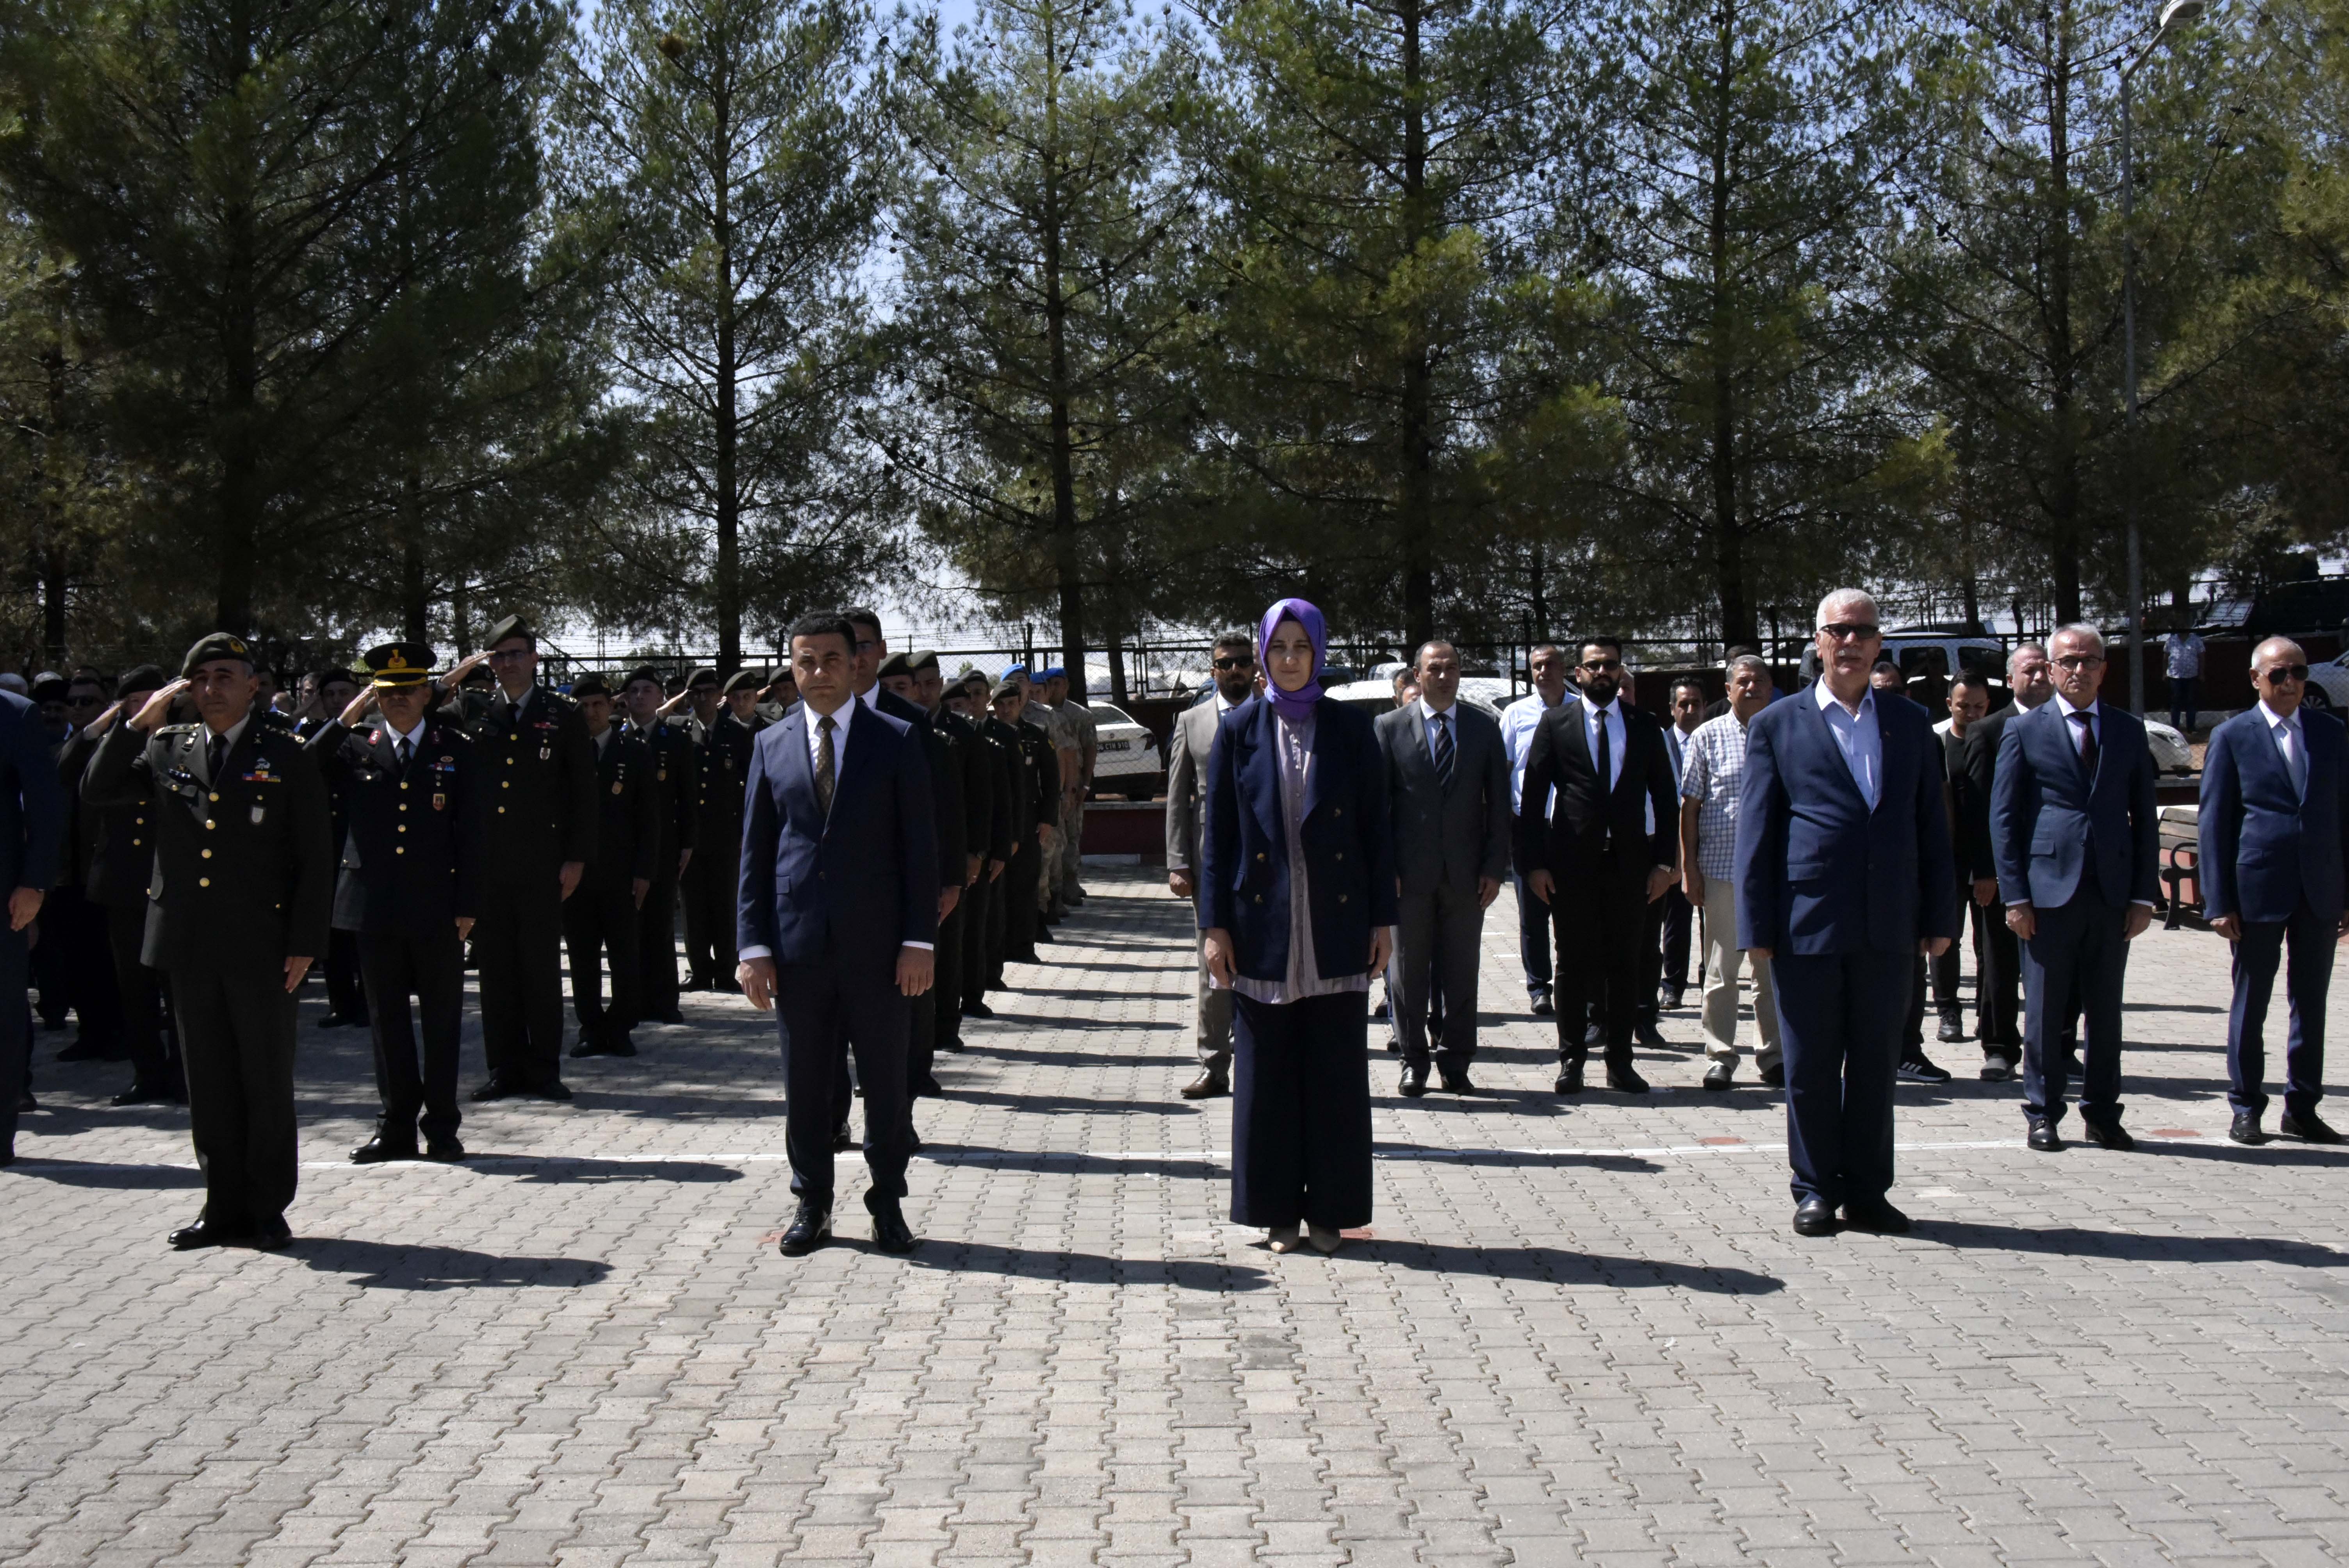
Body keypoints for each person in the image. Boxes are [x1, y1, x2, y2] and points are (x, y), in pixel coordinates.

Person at [83, 633, 333, 1247]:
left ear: (253, 686)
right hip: (189, 941)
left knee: (264, 1079)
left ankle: (267, 1206)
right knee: (211, 1081)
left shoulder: (285, 751)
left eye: (225, 676)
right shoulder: (168, 748)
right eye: (200, 679)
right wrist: (135, 724)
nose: (211, 687)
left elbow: (315, 855)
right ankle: (221, 1205)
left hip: (263, 943)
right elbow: (95, 787)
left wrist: (305, 940)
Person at [1735, 590, 1956, 1237]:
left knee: (1875, 1063)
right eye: (1839, 631)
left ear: (1879, 642)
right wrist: (1757, 928)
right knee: (1808, 1065)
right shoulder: (1779, 723)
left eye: (1863, 631)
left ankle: (1867, 1191)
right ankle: (1814, 1189)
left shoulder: (1909, 723)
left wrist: (1940, 916)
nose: (1852, 643)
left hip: (1888, 924)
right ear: (1819, 641)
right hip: (1806, 923)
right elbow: (1759, 833)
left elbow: (1930, 828)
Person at [737, 611, 938, 1257]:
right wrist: (753, 946)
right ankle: (812, 1205)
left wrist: (919, 940)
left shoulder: (897, 739)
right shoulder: (770, 746)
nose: (818, 672)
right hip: (798, 951)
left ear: (856, 664)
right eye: (805, 661)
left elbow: (920, 850)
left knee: (884, 1083)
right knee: (806, 1086)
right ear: (791, 670)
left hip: (881, 950)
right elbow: (755, 855)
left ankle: (888, 1204)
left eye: (830, 659)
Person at [1201, 598, 1395, 1255]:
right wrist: (1214, 927)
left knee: (1336, 1077)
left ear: (1318, 653)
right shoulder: (1239, 731)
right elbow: (1217, 839)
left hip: (1337, 927)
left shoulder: (1350, 729)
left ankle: (1331, 1214)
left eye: (1301, 647)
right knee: (1267, 1081)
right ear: (1262, 656)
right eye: (1278, 647)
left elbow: (1377, 833)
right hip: (1261, 929)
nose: (1289, 659)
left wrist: (1382, 920)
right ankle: (1275, 1212)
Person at [303, 641, 485, 1162]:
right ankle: (396, 1124)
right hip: (373, 905)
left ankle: (444, 1126)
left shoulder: (455, 747)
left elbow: (473, 832)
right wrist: (344, 718)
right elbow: (303, 767)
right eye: (387, 691)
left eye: (409, 690)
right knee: (386, 1020)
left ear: (428, 692)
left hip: (438, 903)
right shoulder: (355, 744)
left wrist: (469, 901)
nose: (399, 700)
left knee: (443, 1019)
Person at [1989, 623, 2159, 1153]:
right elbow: (2005, 818)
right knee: (2043, 1009)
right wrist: (2015, 896)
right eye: (2067, 662)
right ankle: (2043, 1112)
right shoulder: (2025, 730)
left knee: (2106, 1012)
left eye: (2088, 661)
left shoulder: (2128, 730)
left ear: (2104, 669)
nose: (2077, 670)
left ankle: (2104, 1113)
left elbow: (2145, 820)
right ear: (2051, 669)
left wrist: (2142, 895)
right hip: (2046, 894)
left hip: (2111, 893)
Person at [1517, 637, 1680, 1096]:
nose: (1602, 673)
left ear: (1621, 670)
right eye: (1593, 666)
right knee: (1571, 963)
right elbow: (1532, 802)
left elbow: (1666, 799)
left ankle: (1620, 1061)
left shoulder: (1645, 725)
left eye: (1610, 665)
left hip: (1630, 866)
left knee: (1624, 963)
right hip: (1570, 866)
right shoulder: (1556, 723)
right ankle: (1571, 1060)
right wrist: (1534, 865)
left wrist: (1665, 863)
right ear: (1579, 671)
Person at [2202, 637, 2349, 1145]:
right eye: (2279, 674)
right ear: (2255, 679)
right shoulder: (2232, 737)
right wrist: (2218, 901)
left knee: (2311, 1003)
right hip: (2257, 891)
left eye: (2300, 673)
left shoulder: (2331, 734)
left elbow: (2343, 815)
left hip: (2319, 891)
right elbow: (2216, 824)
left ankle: (2303, 1107)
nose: (2291, 684)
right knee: (2253, 1002)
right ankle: (2247, 1106)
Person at [469, 615, 597, 1101]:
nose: (508, 664)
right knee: (496, 970)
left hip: (544, 861)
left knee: (540, 969)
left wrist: (577, 857)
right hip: (490, 863)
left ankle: (544, 1069)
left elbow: (583, 792)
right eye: (499, 656)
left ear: (535, 658)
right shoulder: (475, 709)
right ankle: (503, 1067)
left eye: (517, 653)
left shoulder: (561, 712)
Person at [1376, 640, 1508, 1096]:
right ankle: (1413, 1060)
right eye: (1435, 667)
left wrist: (1494, 866)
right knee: (1407, 973)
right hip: (1408, 877)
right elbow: (1377, 807)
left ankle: (1456, 1060)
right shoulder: (1389, 727)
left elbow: (1498, 804)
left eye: (1452, 667)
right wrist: (1383, 867)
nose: (1445, 675)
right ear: (1417, 674)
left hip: (1468, 876)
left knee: (1461, 972)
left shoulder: (1484, 727)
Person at [75, 666, 183, 1105]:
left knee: (176, 988)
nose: (147, 706)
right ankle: (147, 1074)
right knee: (134, 988)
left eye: (154, 698)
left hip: (172, 882)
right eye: (135, 700)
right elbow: (76, 778)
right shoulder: (117, 742)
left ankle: (183, 1075)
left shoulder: (184, 739)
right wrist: (121, 725)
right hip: (124, 884)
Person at [1679, 655, 1781, 1090]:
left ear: (1771, 686)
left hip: (1777, 872)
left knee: (1770, 970)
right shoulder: (1706, 737)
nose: (1752, 687)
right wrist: (1688, 868)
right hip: (1721, 870)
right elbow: (1689, 807)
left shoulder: (1787, 731)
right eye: (1743, 681)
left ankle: (1774, 1055)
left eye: (1760, 680)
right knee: (1721, 970)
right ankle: (1720, 1054)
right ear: (1728, 688)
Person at [1166, 633, 1257, 1099]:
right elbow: (1178, 796)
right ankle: (1213, 1064)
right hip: (1210, 862)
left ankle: (1263, 1063)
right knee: (1213, 963)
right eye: (1226, 663)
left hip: (1266, 859)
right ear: (1213, 669)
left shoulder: (1274, 714)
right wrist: (1178, 861)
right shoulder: (1192, 721)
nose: (1235, 670)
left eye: (1243, 662)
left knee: (1264, 961)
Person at [1960, 643, 2052, 1080]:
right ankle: (1998, 1045)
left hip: (2056, 869)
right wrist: (1985, 870)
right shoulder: (1989, 731)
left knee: (2057, 963)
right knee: (1999, 960)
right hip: (2003, 871)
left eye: (2043, 670)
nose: (2038, 678)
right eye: (2028, 671)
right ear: (2010, 679)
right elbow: (1979, 809)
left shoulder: (2068, 725)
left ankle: (2057, 1044)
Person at [565, 674, 658, 1059]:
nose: (591, 712)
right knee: (582, 956)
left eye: (598, 704)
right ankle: (590, 1027)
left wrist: (645, 871)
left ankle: (620, 1027)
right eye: (583, 706)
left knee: (624, 955)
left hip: (621, 873)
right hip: (576, 875)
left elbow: (649, 818)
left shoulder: (634, 751)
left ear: (611, 705)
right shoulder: (564, 752)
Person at [909, 651, 992, 1064]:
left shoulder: (961, 734)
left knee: (950, 943)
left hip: (950, 856)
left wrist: (975, 854)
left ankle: (947, 1026)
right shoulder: (898, 729)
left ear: (940, 684)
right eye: (915, 684)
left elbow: (977, 800)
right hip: (909, 860)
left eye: (929, 683)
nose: (922, 692)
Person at [0, 669, 63, 1165]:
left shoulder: (16, 714)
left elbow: (44, 806)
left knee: (4, 1016)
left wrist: (34, 882)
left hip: (4, 897)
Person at [620, 668, 697, 1026]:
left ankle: (664, 1001)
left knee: (660, 925)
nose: (639, 697)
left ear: (659, 697)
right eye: (633, 691)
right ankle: (629, 1000)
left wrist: (687, 844)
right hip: (622, 848)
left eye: (647, 690)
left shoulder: (676, 740)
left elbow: (688, 797)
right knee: (626, 927)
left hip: (664, 847)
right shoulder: (613, 738)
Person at [1499, 645, 1571, 1014]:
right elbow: (1504, 768)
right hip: (1529, 824)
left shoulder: (1580, 709)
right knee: (1532, 911)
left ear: (1565, 668)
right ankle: (1539, 987)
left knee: (1572, 908)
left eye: (1550, 665)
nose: (1543, 671)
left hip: (1573, 826)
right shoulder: (1516, 714)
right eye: (1537, 666)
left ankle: (1571, 980)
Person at [682, 669, 758, 993]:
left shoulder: (738, 734)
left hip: (727, 835)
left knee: (727, 904)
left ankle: (727, 971)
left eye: (709, 692)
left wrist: (746, 831)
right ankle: (699, 971)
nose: (703, 699)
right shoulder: (680, 733)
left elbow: (751, 788)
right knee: (693, 905)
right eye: (696, 693)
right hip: (689, 836)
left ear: (719, 697)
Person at [1930, 670, 1995, 1044]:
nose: (1971, 713)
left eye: (1979, 706)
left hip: (1988, 861)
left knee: (1989, 944)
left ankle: (1988, 1015)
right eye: (1963, 706)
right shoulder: (1939, 745)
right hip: (1948, 862)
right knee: (1945, 939)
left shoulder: (2001, 741)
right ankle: (1947, 1012)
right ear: (1949, 705)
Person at [1648, 677, 1706, 1019]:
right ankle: (1670, 986)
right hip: (1670, 845)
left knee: (1705, 918)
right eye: (1683, 704)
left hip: (1708, 843)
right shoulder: (1660, 742)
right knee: (1671, 917)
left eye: (1696, 703)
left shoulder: (1712, 740)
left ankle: (1699, 979)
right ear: (1672, 709)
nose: (1689, 710)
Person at [1041, 666, 1095, 911]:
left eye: (1059, 683)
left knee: (1072, 834)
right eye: (1050, 683)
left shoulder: (1080, 714)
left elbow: (1090, 748)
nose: (1055, 688)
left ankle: (1071, 882)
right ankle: (1057, 888)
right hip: (1053, 784)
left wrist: (1084, 783)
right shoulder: (1044, 714)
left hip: (1073, 783)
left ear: (1067, 686)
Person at [2166, 627, 2206, 732]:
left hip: (2192, 676)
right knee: (2175, 702)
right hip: (2175, 676)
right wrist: (2164, 673)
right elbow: (2166, 656)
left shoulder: (2196, 640)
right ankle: (2175, 728)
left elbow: (2202, 657)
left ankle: (2191, 728)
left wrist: (2201, 674)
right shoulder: (2171, 640)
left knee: (2191, 702)